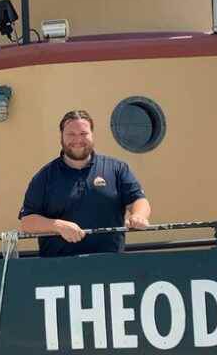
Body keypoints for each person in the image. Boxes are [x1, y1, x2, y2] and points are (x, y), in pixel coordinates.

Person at [19, 110, 151, 257]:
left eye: (83, 134)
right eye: (71, 134)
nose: (77, 140)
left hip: (110, 267)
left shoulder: (116, 169)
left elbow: (138, 200)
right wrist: (57, 225)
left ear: (92, 135)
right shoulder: (44, 176)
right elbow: (27, 222)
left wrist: (139, 215)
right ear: (61, 137)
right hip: (57, 270)